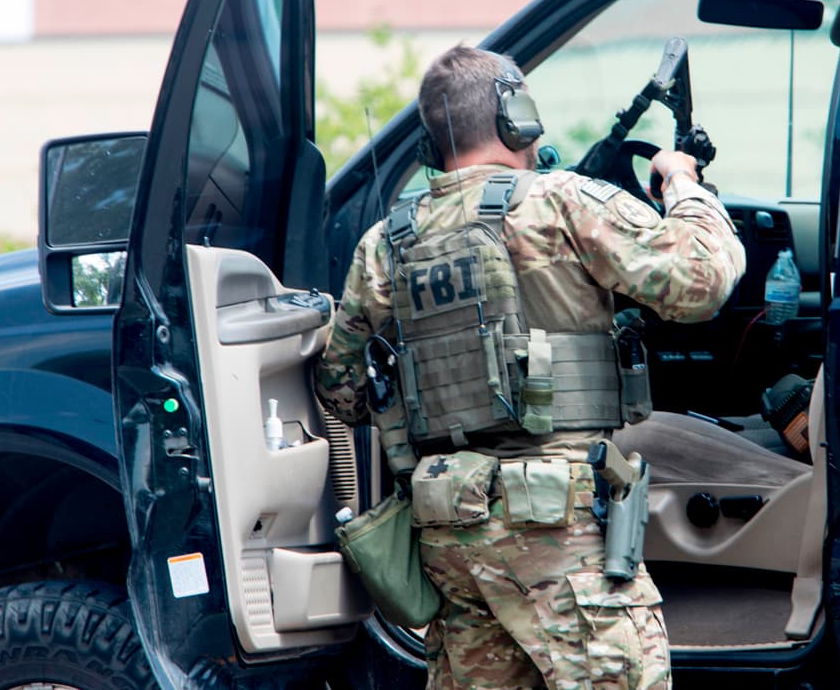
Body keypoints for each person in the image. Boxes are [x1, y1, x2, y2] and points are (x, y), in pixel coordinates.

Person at [314, 45, 745, 689]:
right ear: (519, 118)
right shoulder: (560, 202)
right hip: (555, 526)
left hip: (447, 528)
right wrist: (684, 184)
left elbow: (340, 391)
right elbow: (701, 280)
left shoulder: (387, 241)